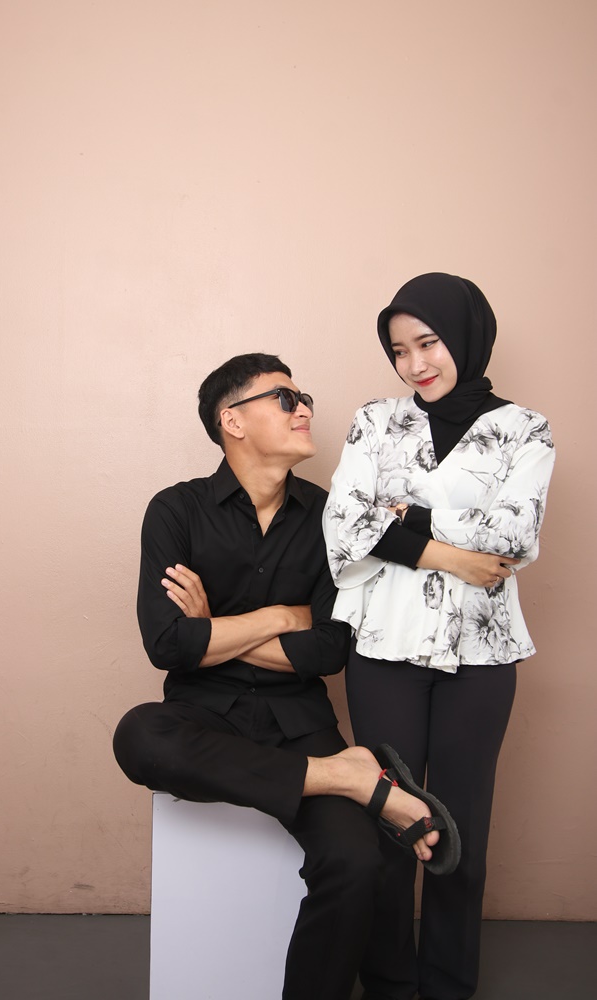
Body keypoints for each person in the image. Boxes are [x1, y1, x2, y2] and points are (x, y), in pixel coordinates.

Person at [113, 352, 458, 1000]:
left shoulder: (330, 517)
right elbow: (168, 644)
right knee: (138, 735)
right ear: (232, 420)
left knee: (356, 861)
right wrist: (277, 617)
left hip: (298, 719)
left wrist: (214, 628)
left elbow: (327, 648)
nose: (303, 409)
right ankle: (348, 775)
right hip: (203, 713)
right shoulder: (175, 510)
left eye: (304, 399)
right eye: (283, 398)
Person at [323, 273, 555, 1000]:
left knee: (463, 829)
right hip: (384, 647)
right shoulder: (375, 421)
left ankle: (450, 984)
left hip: (482, 653)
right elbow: (343, 524)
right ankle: (390, 983)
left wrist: (406, 518)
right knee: (390, 819)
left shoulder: (525, 429)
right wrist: (452, 554)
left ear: (464, 336)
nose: (414, 364)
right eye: (399, 350)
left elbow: (515, 535)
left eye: (428, 343)